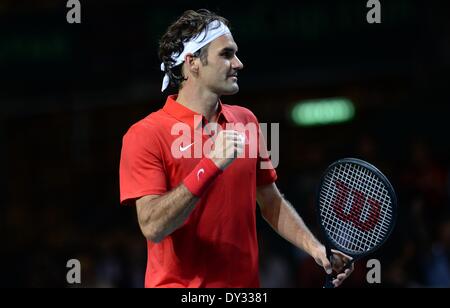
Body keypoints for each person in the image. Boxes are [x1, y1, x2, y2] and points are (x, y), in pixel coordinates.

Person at [119, 9, 353, 288]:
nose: (238, 63)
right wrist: (210, 165)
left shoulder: (247, 120)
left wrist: (316, 250)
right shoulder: (144, 134)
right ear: (193, 63)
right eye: (226, 54)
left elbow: (271, 201)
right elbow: (153, 227)